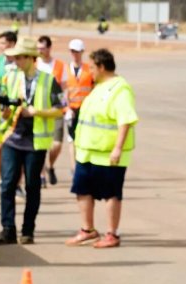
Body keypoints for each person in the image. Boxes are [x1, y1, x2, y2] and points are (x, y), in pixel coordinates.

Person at [65, 48, 136, 249]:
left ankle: (112, 234)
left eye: (92, 68)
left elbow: (125, 120)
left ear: (102, 67)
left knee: (111, 193)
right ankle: (87, 230)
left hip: (108, 154)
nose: (90, 72)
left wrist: (117, 148)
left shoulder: (120, 89)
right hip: (87, 151)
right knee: (82, 189)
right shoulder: (98, 87)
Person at [0, 37, 63, 246]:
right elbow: (4, 108)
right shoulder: (10, 78)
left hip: (36, 142)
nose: (15, 61)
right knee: (7, 184)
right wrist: (6, 112)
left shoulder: (48, 80)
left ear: (30, 58)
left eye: (19, 57)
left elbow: (60, 108)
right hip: (12, 138)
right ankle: (8, 229)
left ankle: (28, 230)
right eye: (14, 57)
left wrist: (37, 112)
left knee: (32, 187)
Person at [34, 36, 68, 186]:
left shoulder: (60, 65)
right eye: (38, 48)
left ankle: (50, 166)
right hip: (40, 109)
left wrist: (66, 107)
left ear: (49, 48)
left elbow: (65, 87)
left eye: (42, 48)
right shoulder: (34, 64)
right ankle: (41, 174)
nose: (40, 51)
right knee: (40, 144)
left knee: (56, 145)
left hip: (56, 109)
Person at [64, 39, 95, 144]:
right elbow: (62, 92)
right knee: (72, 139)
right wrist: (66, 109)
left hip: (86, 109)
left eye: (77, 51)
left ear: (82, 51)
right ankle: (74, 161)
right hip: (71, 110)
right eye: (72, 51)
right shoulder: (66, 69)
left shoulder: (89, 69)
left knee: (85, 137)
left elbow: (94, 88)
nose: (74, 54)